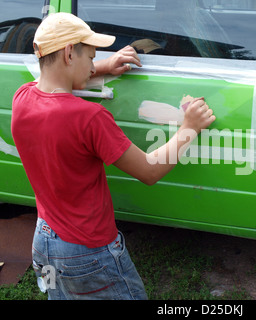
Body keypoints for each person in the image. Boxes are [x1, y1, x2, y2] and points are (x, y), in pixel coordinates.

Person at [11, 12, 215, 300]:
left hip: (44, 244)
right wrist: (189, 128)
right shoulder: (89, 117)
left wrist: (104, 66)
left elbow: (52, 82)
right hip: (88, 254)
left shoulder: (22, 98)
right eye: (92, 57)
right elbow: (149, 170)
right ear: (70, 52)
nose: (94, 64)